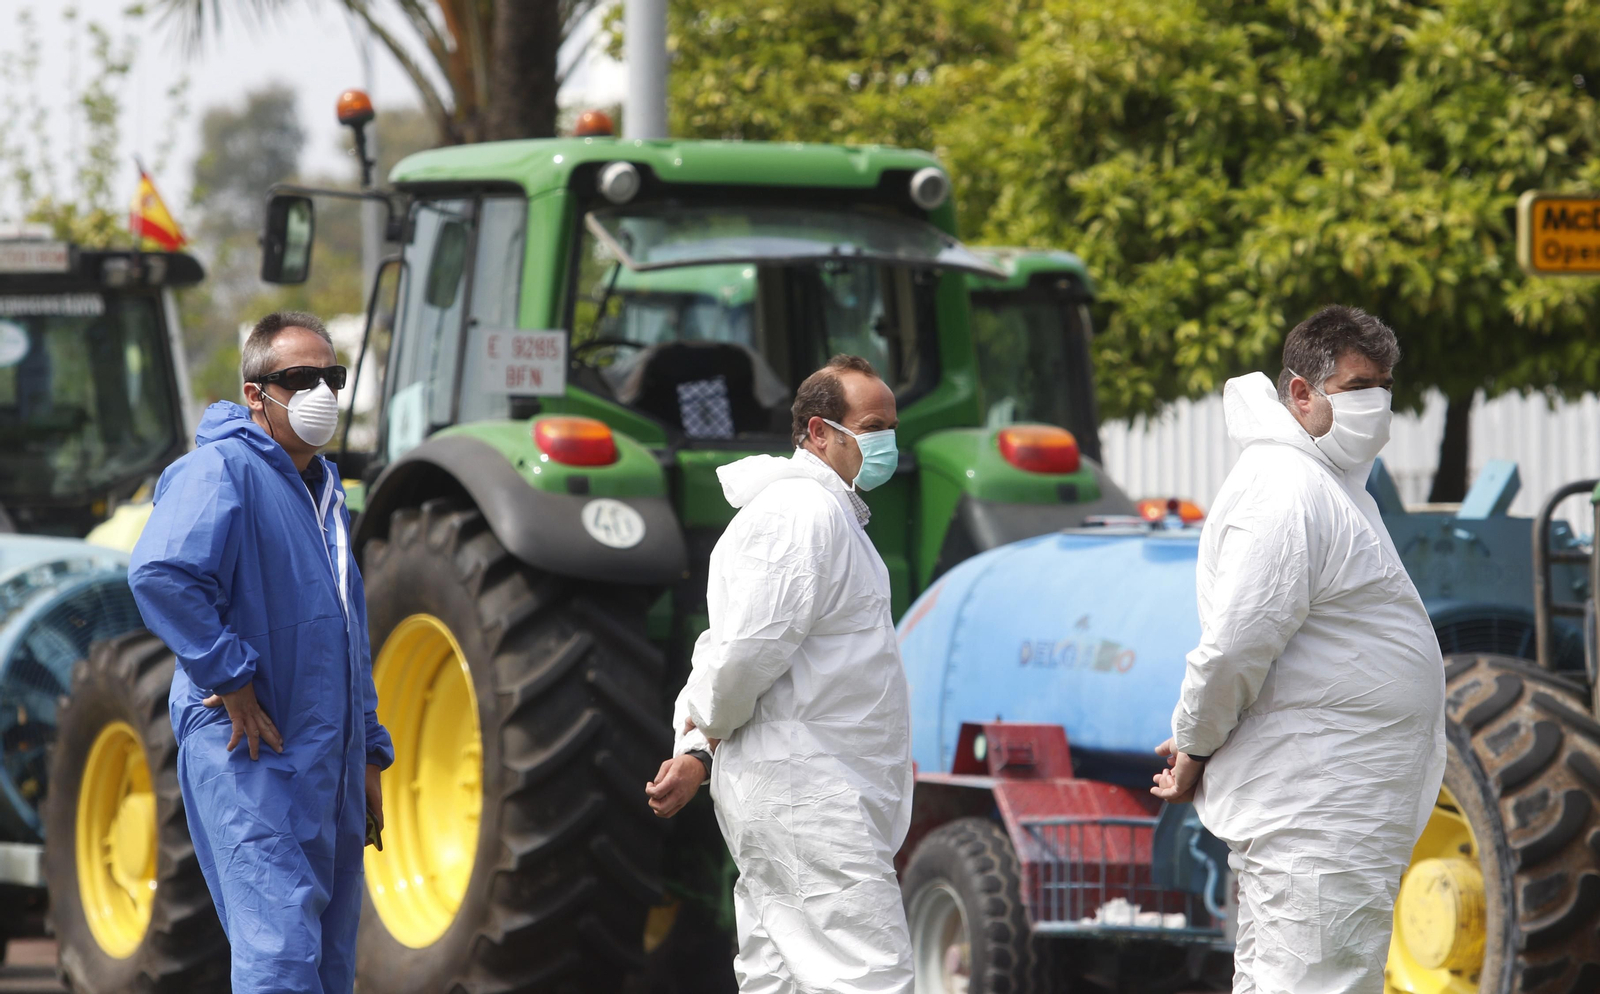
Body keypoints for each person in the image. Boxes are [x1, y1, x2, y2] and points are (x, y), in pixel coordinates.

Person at [1151, 305, 1446, 994]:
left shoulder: (1327, 485)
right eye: (1358, 386)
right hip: (1316, 812)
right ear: (1301, 393)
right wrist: (1194, 746)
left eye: (1385, 385)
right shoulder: (1287, 489)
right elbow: (1235, 647)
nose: (1377, 404)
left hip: (1327, 810)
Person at [129, 311, 393, 994]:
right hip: (251, 756)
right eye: (299, 379)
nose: (321, 394)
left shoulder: (321, 493)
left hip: (325, 765)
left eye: (330, 377)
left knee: (329, 964)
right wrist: (230, 676)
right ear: (255, 392)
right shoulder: (221, 469)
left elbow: (344, 636)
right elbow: (160, 573)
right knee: (279, 958)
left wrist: (369, 752)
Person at [645, 354, 913, 994]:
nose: (886, 443)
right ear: (818, 432)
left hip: (806, 793)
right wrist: (702, 734)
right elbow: (742, 652)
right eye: (873, 426)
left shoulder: (826, 516)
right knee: (869, 977)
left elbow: (732, 651)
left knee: (780, 978)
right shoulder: (804, 514)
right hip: (813, 799)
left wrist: (696, 749)